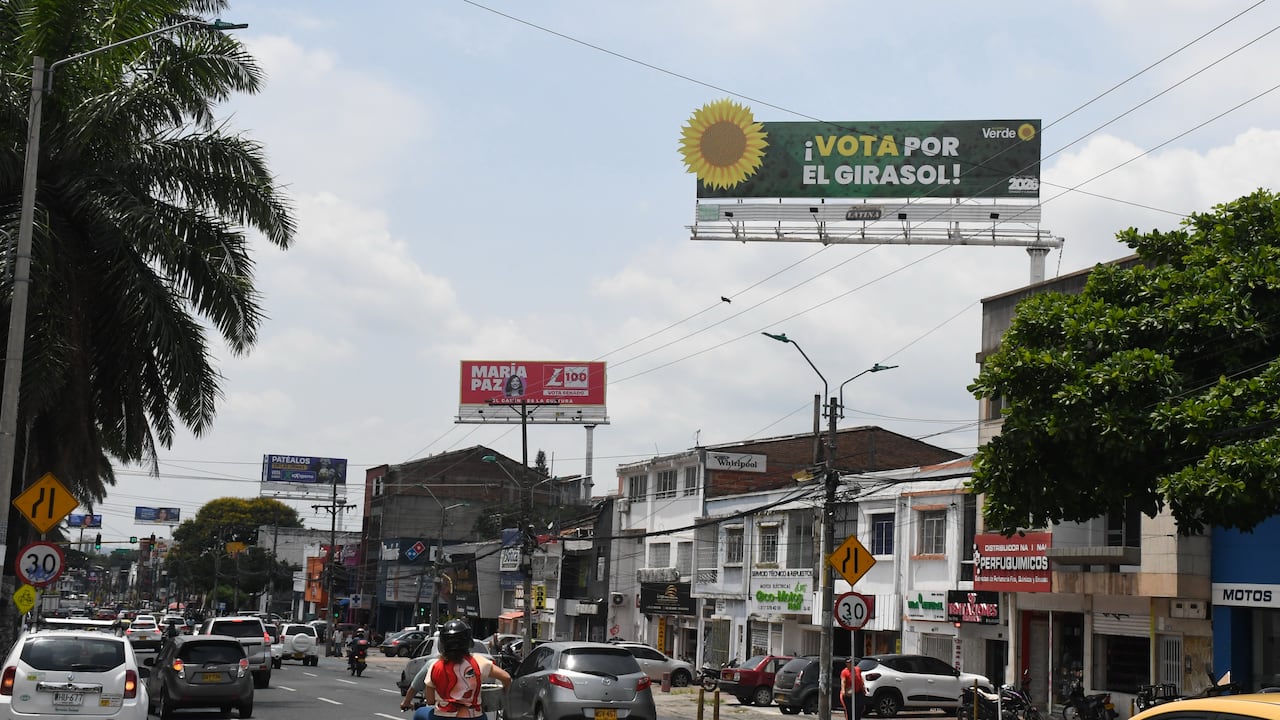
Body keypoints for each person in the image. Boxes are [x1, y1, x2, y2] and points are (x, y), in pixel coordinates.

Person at [399, 619, 511, 720]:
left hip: (441, 717)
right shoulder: (479, 662)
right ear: (468, 642)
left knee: (419, 714)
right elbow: (506, 678)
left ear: (442, 643)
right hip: (475, 717)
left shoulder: (435, 665)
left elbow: (430, 701)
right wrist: (506, 700)